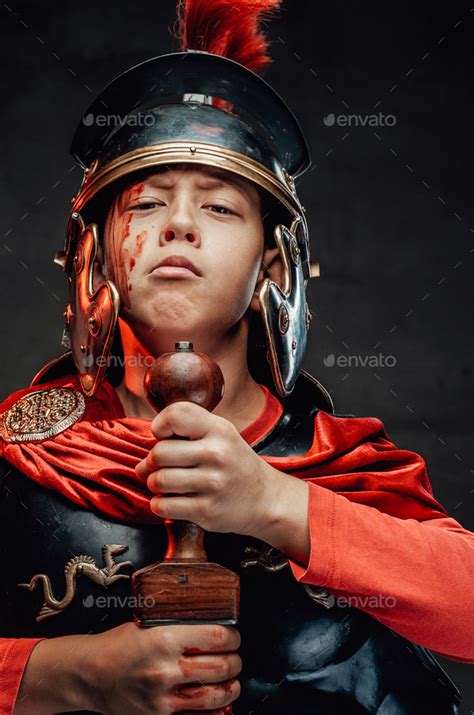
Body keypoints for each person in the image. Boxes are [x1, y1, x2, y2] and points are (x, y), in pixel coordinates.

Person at [0, 1, 473, 713]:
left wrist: (274, 501)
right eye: (148, 203)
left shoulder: (337, 459)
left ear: (273, 268)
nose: (181, 225)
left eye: (220, 208)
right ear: (93, 257)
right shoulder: (22, 450)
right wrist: (69, 673)